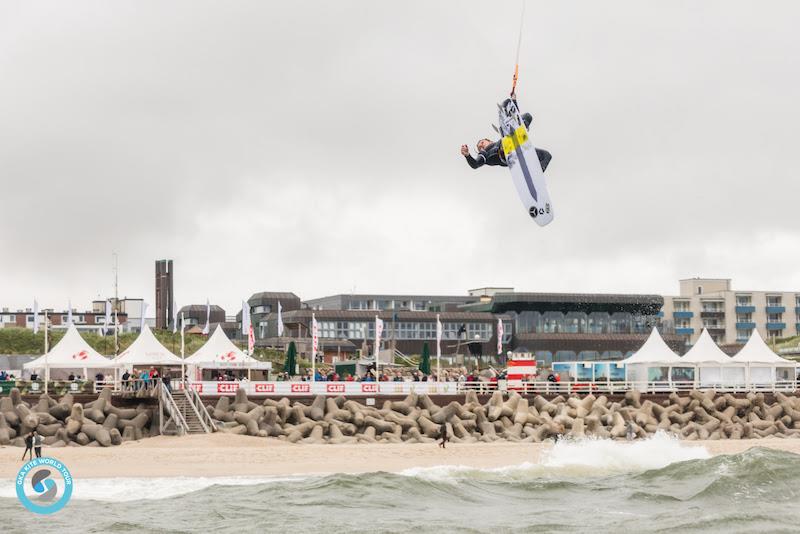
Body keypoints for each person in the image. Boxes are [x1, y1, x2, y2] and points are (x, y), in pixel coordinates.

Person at [461, 103, 552, 172]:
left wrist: (514, 100)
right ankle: (519, 130)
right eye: (479, 147)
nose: (481, 146)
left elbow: (516, 113)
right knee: (507, 136)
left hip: (517, 147)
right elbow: (475, 164)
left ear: (489, 140)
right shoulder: (485, 154)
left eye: (481, 143)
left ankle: (538, 172)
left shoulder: (497, 142)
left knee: (546, 155)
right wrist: (467, 155)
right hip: (504, 151)